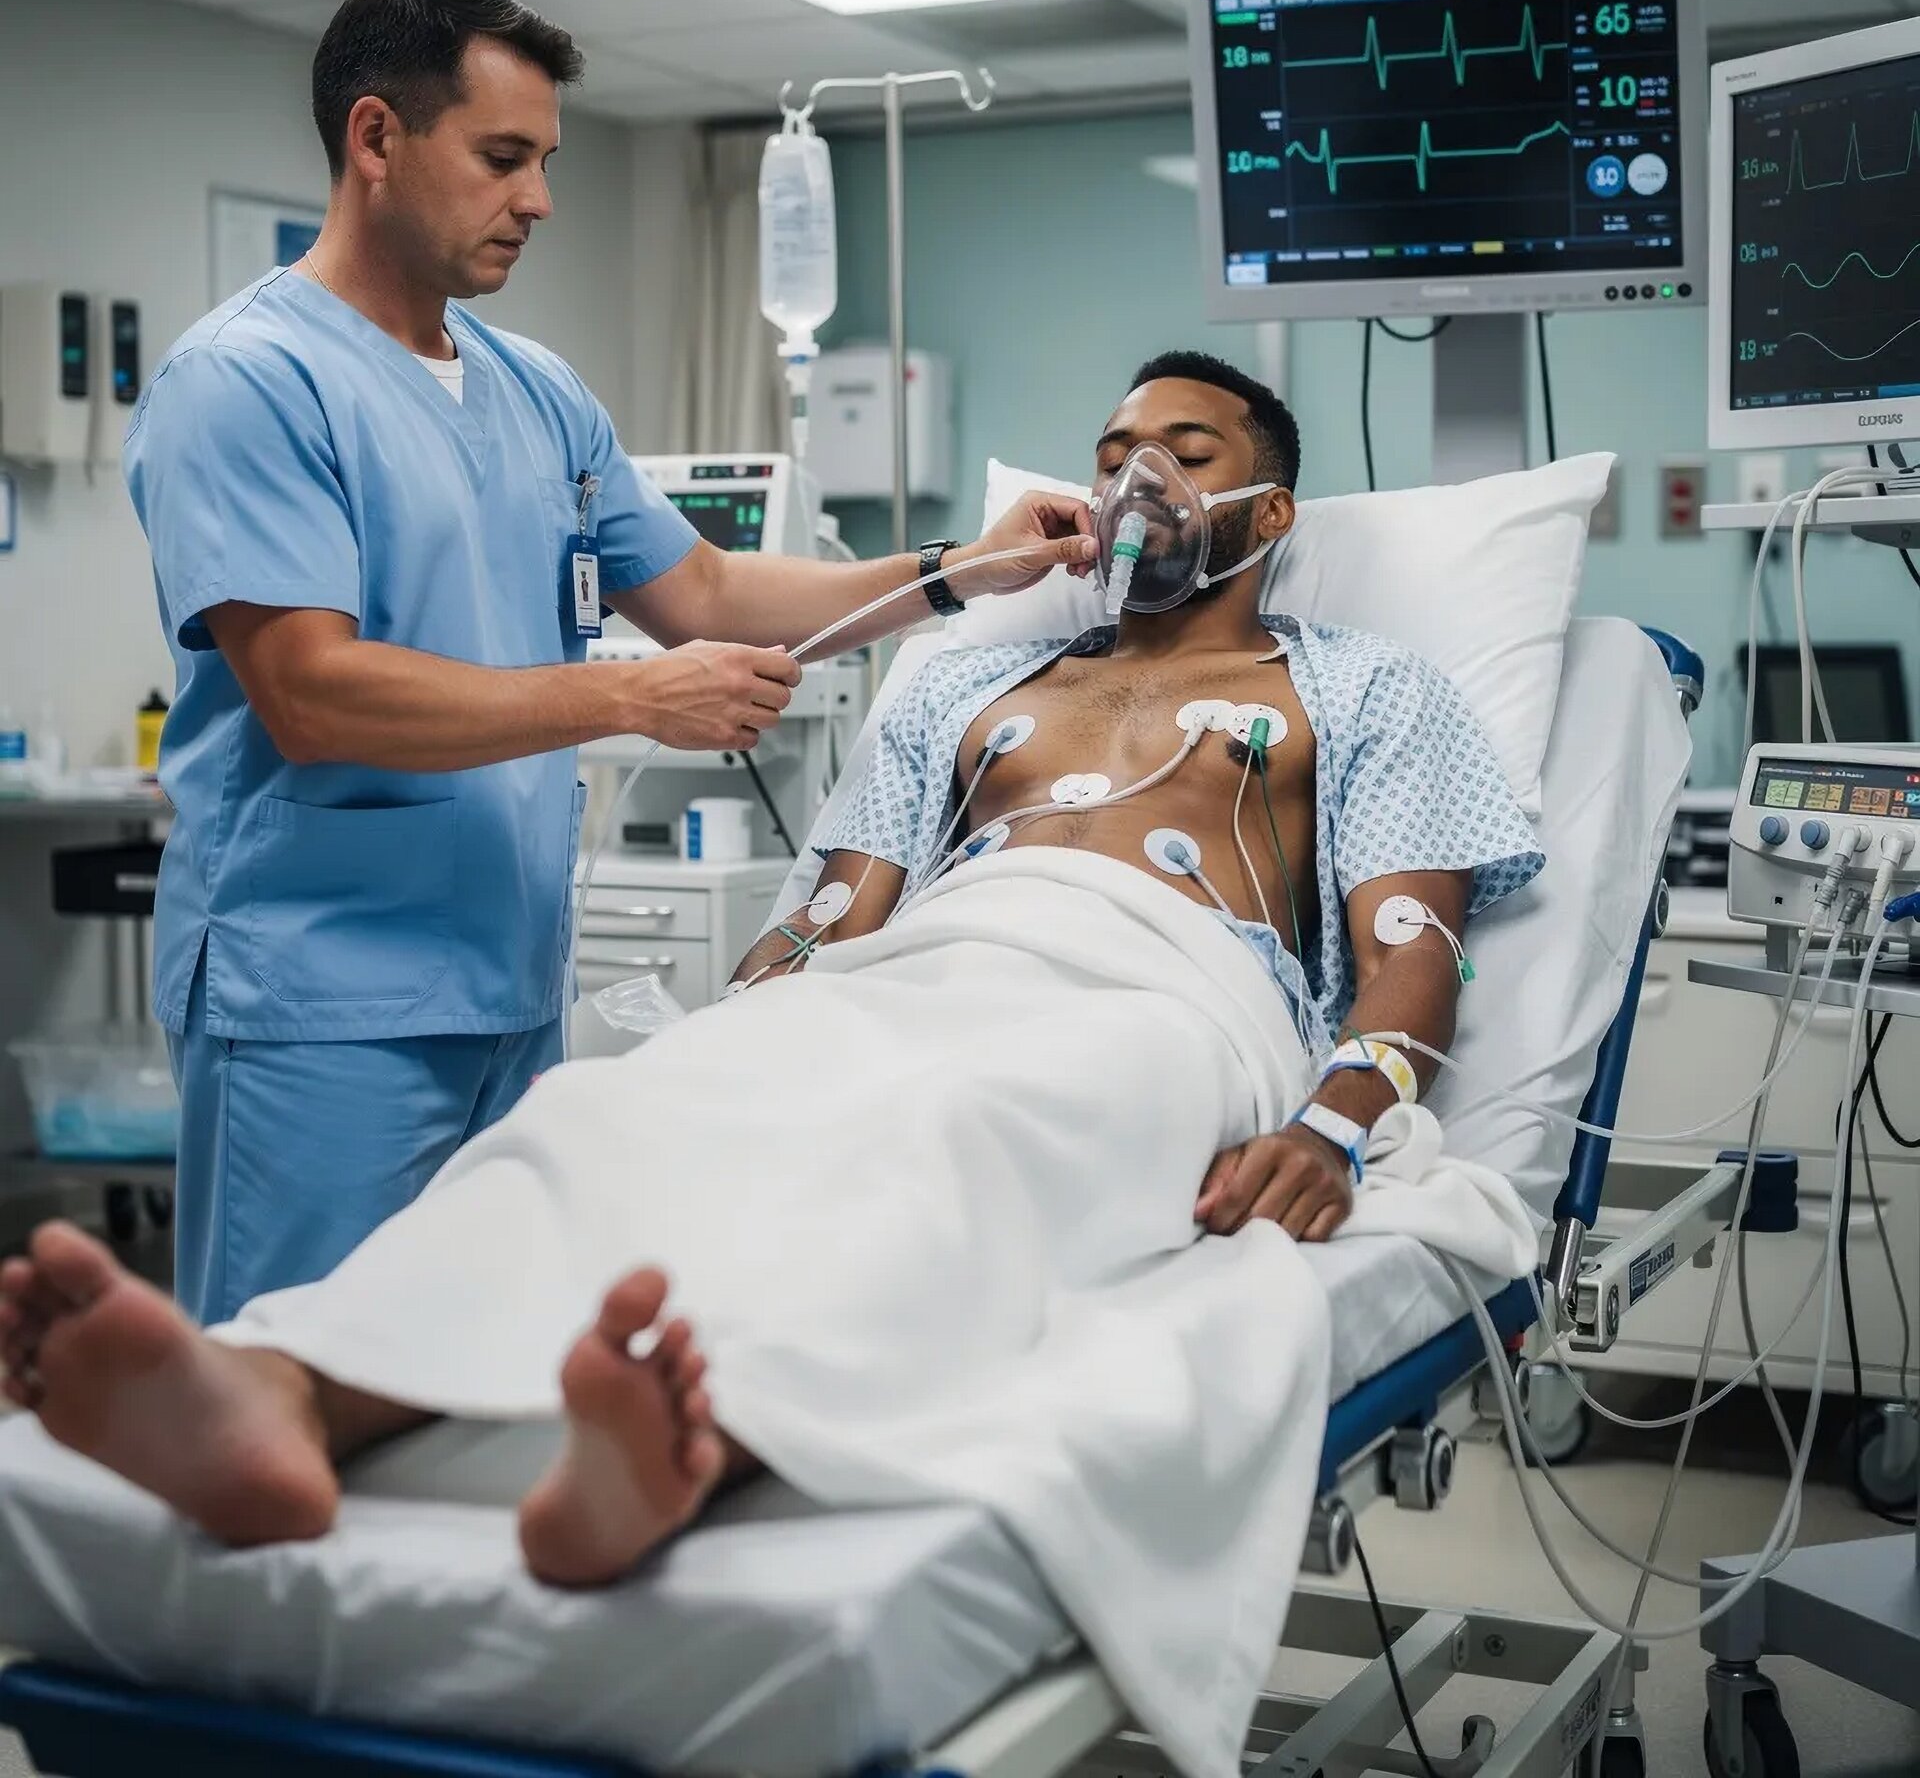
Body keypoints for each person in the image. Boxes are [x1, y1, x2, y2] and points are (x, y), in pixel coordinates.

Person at [4, 354, 1542, 1778]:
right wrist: (740, 1028)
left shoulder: (1359, 687)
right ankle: (292, 1393)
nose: (1138, 478)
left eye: (1183, 453)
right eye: (1116, 449)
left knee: (954, 1128)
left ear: (1267, 513)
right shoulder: (964, 686)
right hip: (931, 959)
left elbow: (1416, 950)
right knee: (618, 1111)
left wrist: (1339, 1127)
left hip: (1164, 993)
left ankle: (707, 1434)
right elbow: (827, 916)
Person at [125, 0, 1094, 1326]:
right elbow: (310, 692)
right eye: (503, 158)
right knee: (293, 1391)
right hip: (320, 1004)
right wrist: (635, 699)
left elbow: (703, 588)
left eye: (547, 162)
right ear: (376, 140)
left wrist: (959, 570)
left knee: (468, 1380)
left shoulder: (536, 391)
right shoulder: (249, 382)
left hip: (508, 986)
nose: (538, 200)